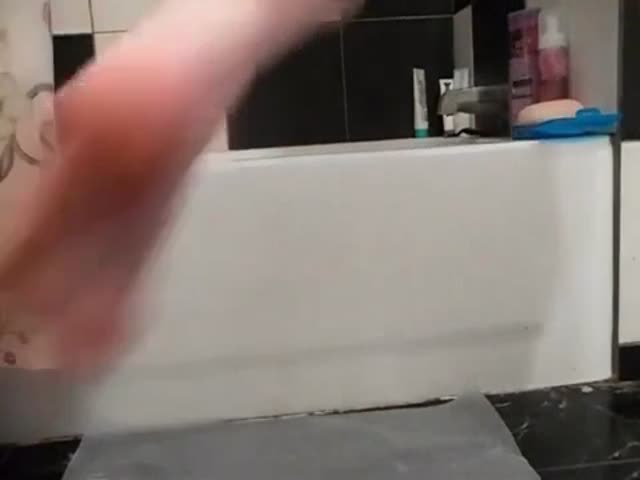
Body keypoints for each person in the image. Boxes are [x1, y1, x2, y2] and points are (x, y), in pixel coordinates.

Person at [0, 0, 361, 372]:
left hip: (123, 89)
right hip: (148, 99)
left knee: (34, 263)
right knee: (38, 270)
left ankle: (75, 293)